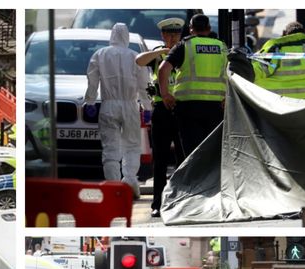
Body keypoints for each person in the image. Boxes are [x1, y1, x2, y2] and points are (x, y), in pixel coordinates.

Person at [84, 22, 151, 197]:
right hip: (130, 106)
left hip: (108, 105)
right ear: (126, 36)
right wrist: (147, 107)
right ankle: (129, 181)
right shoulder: (136, 57)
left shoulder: (100, 55)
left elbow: (92, 81)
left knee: (110, 148)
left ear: (112, 36)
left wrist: (90, 102)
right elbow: (144, 86)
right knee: (132, 145)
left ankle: (113, 187)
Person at [158, 14, 227, 159]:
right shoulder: (222, 47)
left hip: (188, 107)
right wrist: (227, 98)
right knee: (213, 152)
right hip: (216, 107)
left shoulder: (184, 45)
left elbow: (163, 69)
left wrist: (165, 94)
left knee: (191, 153)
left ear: (190, 29)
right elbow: (230, 73)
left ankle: (193, 181)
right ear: (209, 28)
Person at [136, 17, 185, 217]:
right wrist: (159, 52)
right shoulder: (159, 53)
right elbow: (139, 61)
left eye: (175, 34)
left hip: (182, 108)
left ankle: (182, 202)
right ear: (163, 35)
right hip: (161, 110)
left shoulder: (185, 50)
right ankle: (158, 203)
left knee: (183, 158)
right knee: (160, 160)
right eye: (168, 34)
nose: (172, 38)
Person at [253, 21, 305, 99]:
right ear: (304, 33)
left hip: (279, 98)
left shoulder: (275, 48)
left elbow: (258, 70)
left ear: (284, 34)